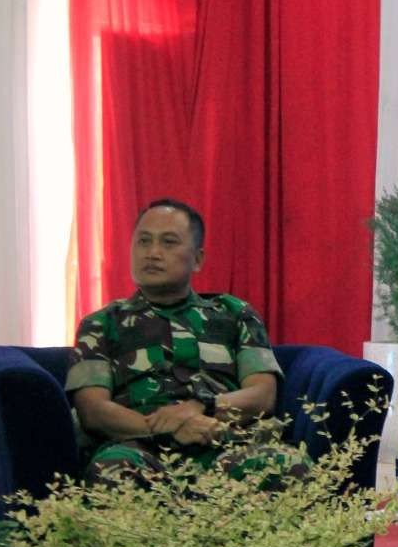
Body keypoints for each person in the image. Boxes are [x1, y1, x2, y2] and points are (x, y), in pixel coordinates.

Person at [65, 197, 302, 484]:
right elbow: (93, 411)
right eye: (143, 241)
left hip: (225, 442)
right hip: (139, 448)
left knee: (286, 465)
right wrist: (167, 428)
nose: (152, 253)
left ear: (198, 259)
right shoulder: (101, 324)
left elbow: (262, 395)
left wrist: (202, 407)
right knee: (112, 474)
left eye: (168, 242)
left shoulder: (234, 314)